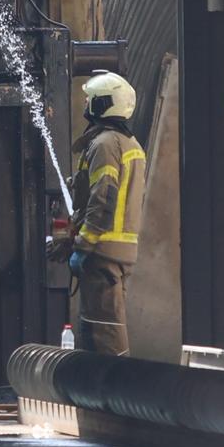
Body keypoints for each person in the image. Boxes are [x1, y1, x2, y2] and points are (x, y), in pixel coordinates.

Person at [51, 71, 146, 355]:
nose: (86, 104)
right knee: (99, 328)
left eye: (90, 99)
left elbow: (103, 197)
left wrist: (83, 243)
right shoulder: (128, 144)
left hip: (102, 251)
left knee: (105, 335)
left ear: (103, 104)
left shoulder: (105, 145)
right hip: (115, 250)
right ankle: (100, 393)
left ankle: (116, 392)